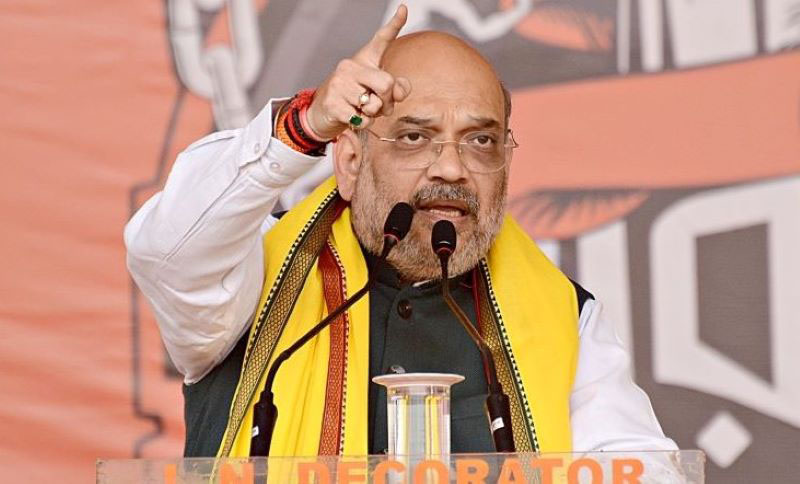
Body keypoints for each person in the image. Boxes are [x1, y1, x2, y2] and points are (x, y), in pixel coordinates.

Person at [125, 6, 676, 458]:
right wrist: (304, 126)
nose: (452, 168)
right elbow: (167, 253)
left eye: (480, 141)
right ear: (349, 162)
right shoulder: (252, 276)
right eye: (415, 137)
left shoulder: (563, 317)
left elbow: (638, 465)